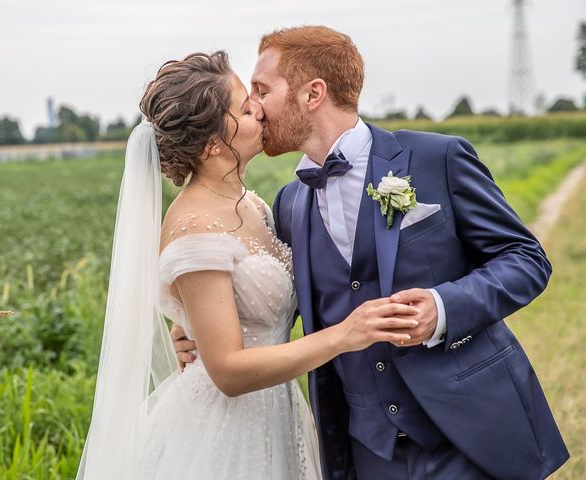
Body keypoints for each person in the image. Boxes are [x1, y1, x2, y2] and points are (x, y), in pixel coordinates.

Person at [175, 26, 569, 479]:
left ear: (312, 94)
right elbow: (270, 296)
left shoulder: (436, 158)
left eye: (262, 90)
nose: (255, 107)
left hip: (469, 433)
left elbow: (525, 258)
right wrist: (199, 327)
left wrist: (443, 308)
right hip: (367, 451)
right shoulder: (287, 204)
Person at [76, 50, 421, 480]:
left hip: (278, 410)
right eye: (244, 106)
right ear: (212, 144)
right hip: (225, 430)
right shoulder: (193, 226)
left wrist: (191, 324)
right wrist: (345, 335)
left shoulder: (253, 204)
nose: (259, 108)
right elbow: (228, 373)